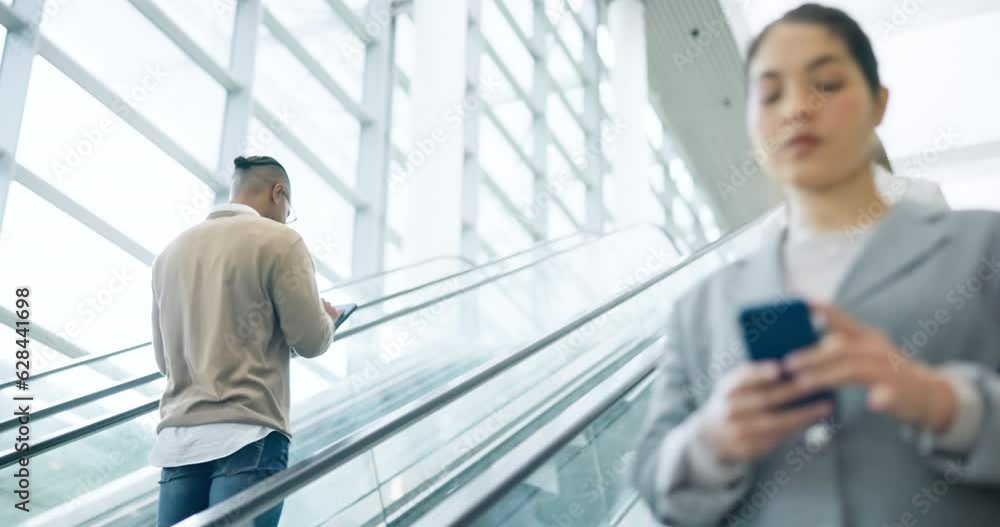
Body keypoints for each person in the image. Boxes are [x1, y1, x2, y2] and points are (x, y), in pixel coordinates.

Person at [633, 4, 1000, 526]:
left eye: (826, 83)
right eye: (770, 93)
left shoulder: (984, 247)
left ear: (879, 103)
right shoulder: (699, 309)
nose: (798, 108)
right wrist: (712, 440)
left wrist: (942, 402)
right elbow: (654, 479)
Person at [150, 155, 342, 526]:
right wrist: (328, 320)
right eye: (289, 209)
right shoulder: (281, 241)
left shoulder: (169, 254)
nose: (287, 217)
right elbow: (310, 340)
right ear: (278, 193)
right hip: (249, 432)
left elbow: (164, 362)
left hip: (178, 440)